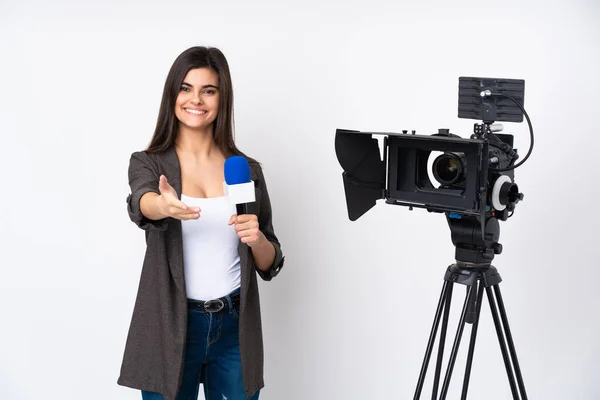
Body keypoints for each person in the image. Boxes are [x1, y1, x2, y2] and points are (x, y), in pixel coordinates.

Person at [117, 46, 285, 400]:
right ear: (172, 95)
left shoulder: (245, 169)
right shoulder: (149, 162)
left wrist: (257, 241)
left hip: (234, 327)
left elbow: (270, 261)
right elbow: (141, 202)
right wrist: (161, 206)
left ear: (222, 99)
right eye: (186, 88)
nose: (196, 99)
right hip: (172, 324)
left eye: (208, 90)